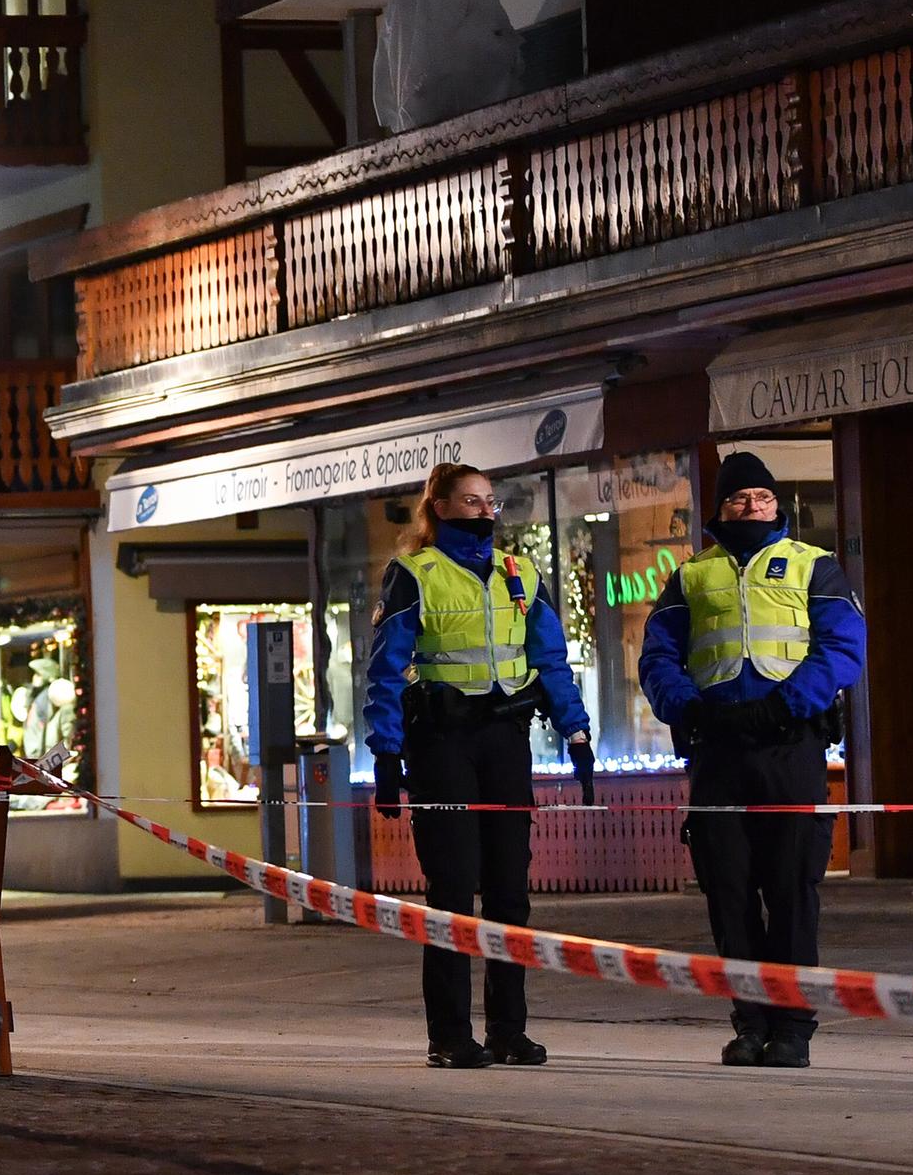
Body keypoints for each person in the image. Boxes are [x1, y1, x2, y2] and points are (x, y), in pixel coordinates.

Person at [639, 450, 867, 1069]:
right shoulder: (690, 576)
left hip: (788, 744)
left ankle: (792, 1027)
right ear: (719, 509)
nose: (752, 507)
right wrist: (689, 709)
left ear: (778, 505)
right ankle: (749, 1021)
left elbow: (842, 649)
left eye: (762, 498)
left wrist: (784, 706)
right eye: (740, 499)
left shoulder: (813, 566)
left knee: (792, 890)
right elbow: (657, 656)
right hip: (717, 749)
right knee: (729, 891)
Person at [366, 461, 596, 1069]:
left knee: (509, 893)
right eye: (469, 500)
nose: (482, 510)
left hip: (504, 740)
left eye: (489, 501)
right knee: (450, 890)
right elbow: (385, 670)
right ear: (438, 507)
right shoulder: (414, 574)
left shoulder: (519, 573)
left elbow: (551, 659)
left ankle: (508, 1030)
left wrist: (577, 734)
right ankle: (448, 1033)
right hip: (441, 744)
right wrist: (386, 755)